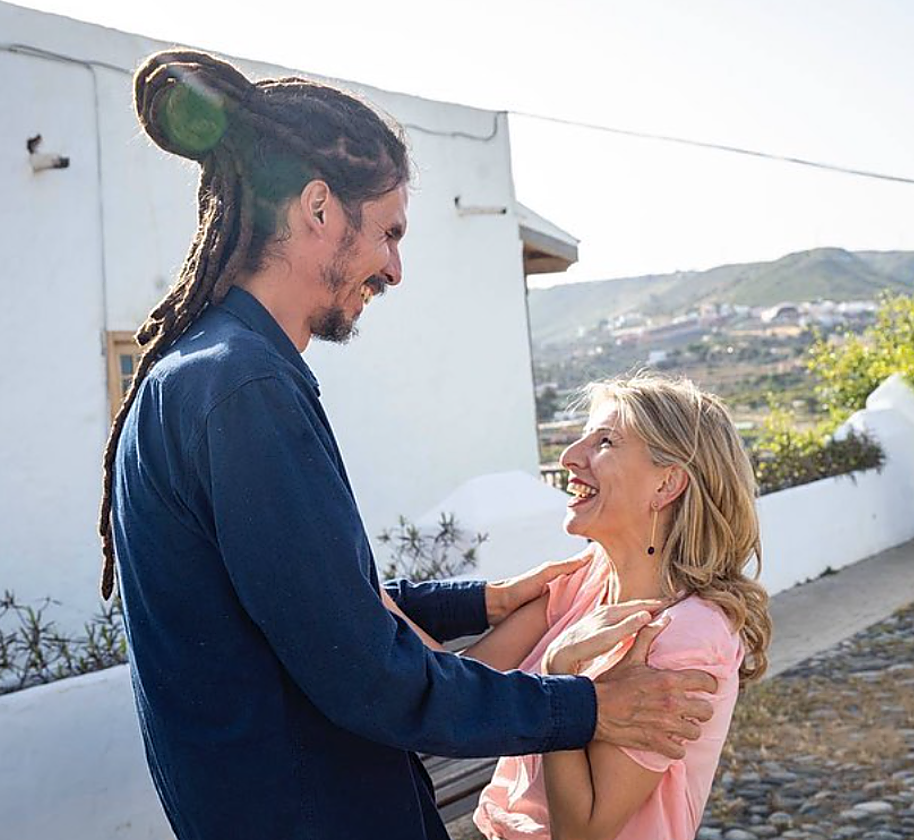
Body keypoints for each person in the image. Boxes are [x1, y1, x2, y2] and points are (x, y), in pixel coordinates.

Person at [99, 51, 718, 840]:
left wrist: (481, 601)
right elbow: (369, 678)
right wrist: (585, 707)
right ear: (319, 208)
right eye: (389, 232)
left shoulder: (205, 371)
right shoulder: (246, 391)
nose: (395, 267)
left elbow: (308, 599)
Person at [387, 374, 773, 840]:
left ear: (666, 484)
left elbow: (583, 831)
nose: (570, 457)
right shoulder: (583, 580)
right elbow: (447, 683)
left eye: (606, 441)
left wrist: (560, 677)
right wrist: (354, 579)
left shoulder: (689, 634)